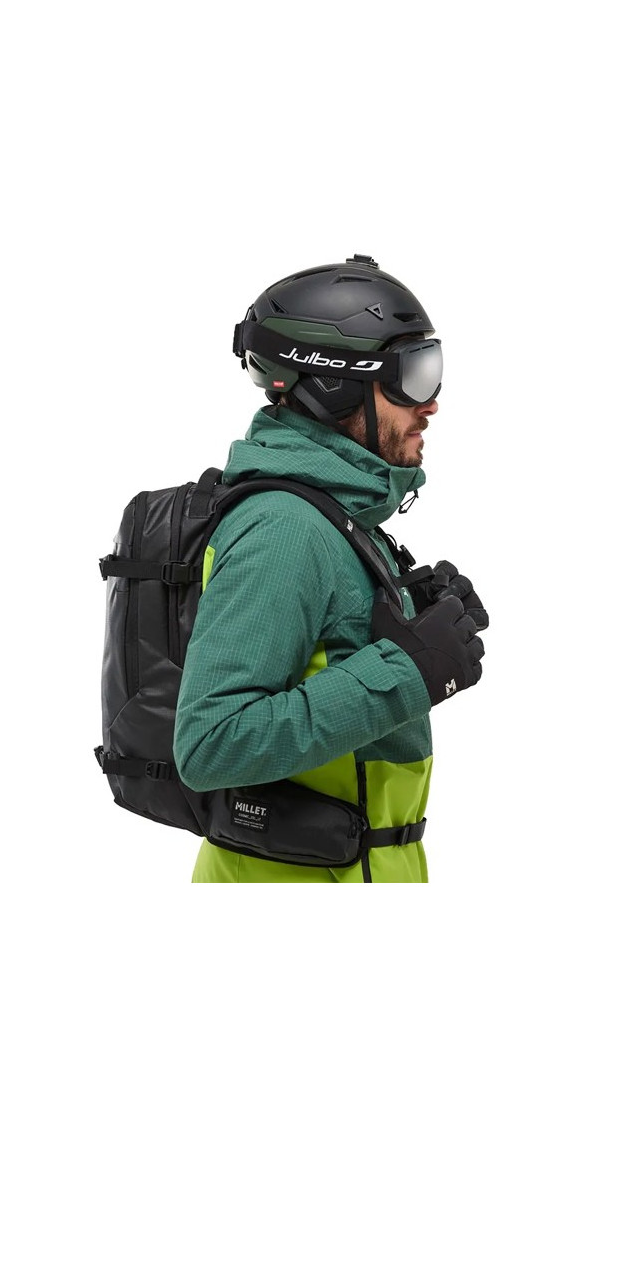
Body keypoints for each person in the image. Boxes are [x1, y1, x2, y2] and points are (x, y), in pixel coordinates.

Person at [173, 255, 487, 883]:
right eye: (412, 377)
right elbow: (211, 743)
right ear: (336, 384)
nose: (430, 405)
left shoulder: (333, 519)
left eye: (433, 368)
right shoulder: (283, 528)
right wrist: (407, 671)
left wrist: (408, 621)